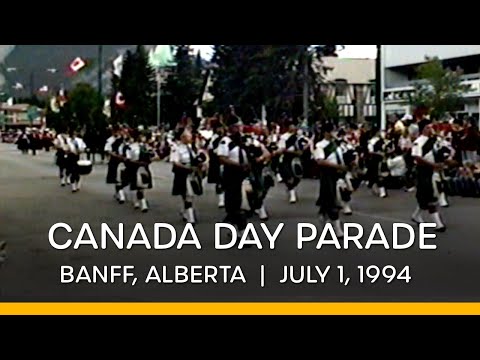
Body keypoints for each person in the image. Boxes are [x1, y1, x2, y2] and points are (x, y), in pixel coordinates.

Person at [218, 115, 250, 242]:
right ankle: (242, 232)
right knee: (236, 203)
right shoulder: (225, 141)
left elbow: (260, 150)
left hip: (246, 174)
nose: (239, 128)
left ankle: (236, 228)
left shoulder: (245, 140)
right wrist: (238, 165)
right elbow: (222, 158)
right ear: (230, 127)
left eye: (240, 126)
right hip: (232, 175)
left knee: (247, 202)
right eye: (236, 126)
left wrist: (261, 157)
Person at [411, 121, 447, 232]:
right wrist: (432, 165)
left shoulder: (435, 141)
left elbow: (441, 153)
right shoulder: (418, 142)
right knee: (429, 195)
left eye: (431, 127)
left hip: (434, 171)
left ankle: (416, 216)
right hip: (423, 172)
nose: (430, 129)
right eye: (428, 128)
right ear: (423, 129)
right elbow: (417, 157)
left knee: (430, 195)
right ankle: (438, 224)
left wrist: (442, 162)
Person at [314, 122, 347, 238]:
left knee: (337, 197)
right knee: (331, 199)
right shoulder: (320, 146)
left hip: (338, 174)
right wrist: (336, 167)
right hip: (327, 175)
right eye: (332, 131)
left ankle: (324, 213)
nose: (335, 133)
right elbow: (320, 161)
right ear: (326, 132)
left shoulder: (337, 145)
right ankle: (337, 228)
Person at [171, 128, 205, 223]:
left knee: (189, 194)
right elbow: (175, 162)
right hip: (183, 173)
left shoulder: (191, 148)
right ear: (182, 137)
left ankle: (185, 210)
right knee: (188, 194)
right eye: (188, 136)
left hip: (192, 174)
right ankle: (191, 217)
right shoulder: (176, 148)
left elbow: (196, 159)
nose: (190, 138)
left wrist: (200, 164)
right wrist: (187, 168)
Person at [125, 129, 155, 213]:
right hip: (135, 168)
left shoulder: (145, 146)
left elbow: (152, 155)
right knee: (137, 185)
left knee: (142, 186)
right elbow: (128, 159)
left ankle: (138, 199)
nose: (142, 138)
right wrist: (136, 162)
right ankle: (143, 202)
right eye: (141, 136)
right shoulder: (130, 147)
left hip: (144, 167)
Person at [276, 119, 305, 204]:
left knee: (297, 177)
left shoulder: (298, 137)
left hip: (296, 159)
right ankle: (292, 193)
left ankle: (291, 188)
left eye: (294, 125)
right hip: (286, 159)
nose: (293, 127)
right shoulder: (284, 137)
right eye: (291, 125)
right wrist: (291, 151)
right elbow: (282, 149)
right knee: (289, 177)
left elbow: (301, 148)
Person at [104, 125, 128, 203]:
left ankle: (118, 192)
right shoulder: (110, 140)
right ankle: (121, 195)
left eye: (118, 131)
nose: (117, 132)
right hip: (114, 160)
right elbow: (107, 150)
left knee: (122, 178)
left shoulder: (123, 139)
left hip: (123, 160)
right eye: (115, 131)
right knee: (116, 178)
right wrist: (115, 155)